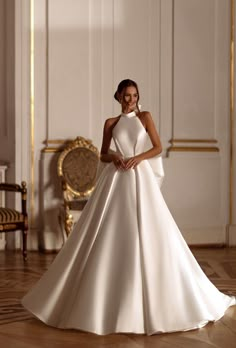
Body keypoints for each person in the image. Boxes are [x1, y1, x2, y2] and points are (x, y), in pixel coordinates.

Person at [22, 79, 235, 335]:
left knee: (149, 229)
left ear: (137, 96)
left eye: (134, 95)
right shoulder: (110, 123)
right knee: (110, 231)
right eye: (126, 95)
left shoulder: (145, 116)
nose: (130, 99)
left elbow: (157, 147)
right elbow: (102, 153)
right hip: (116, 177)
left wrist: (136, 158)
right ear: (119, 96)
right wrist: (116, 156)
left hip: (139, 175)